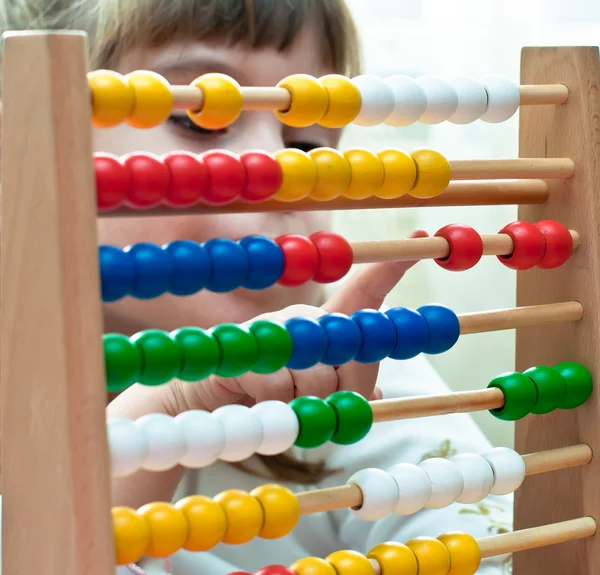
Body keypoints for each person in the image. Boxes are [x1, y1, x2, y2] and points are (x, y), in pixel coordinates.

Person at [0, 1, 512, 573]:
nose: (276, 173)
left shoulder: (354, 379)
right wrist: (167, 412)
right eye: (200, 118)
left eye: (310, 148)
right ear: (15, 131)